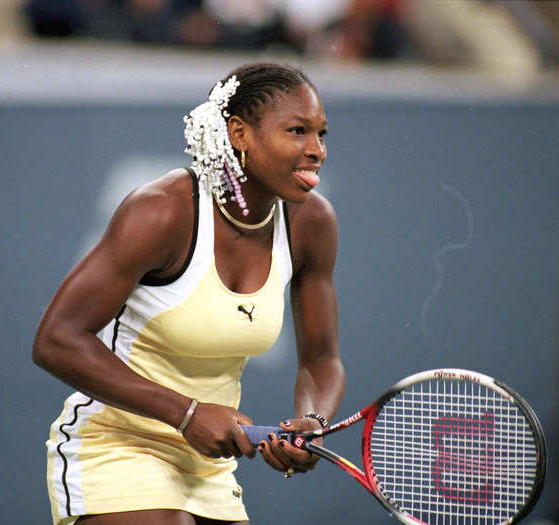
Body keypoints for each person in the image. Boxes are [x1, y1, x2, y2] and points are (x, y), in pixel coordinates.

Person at [32, 62, 345, 525]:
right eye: (297, 131)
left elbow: (321, 360)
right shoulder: (161, 212)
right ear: (240, 134)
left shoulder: (312, 223)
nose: (316, 150)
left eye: (321, 134)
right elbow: (56, 340)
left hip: (207, 465)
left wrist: (311, 423)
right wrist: (186, 413)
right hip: (115, 445)